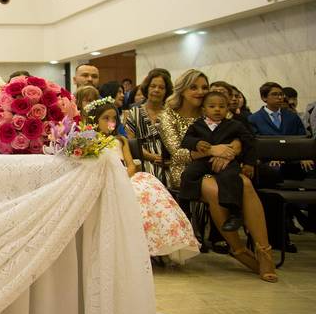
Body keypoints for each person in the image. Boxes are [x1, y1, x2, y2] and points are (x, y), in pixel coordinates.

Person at [160, 69, 276, 282]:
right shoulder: (168, 114)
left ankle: (264, 251)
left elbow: (238, 135)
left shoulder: (217, 109)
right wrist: (213, 150)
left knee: (245, 184)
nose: (200, 91)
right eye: (194, 87)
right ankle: (238, 249)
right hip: (188, 171)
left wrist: (232, 149)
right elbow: (177, 152)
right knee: (214, 190)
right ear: (182, 90)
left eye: (204, 87)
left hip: (224, 167)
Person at [85, 98, 198, 265]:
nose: (111, 122)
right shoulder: (89, 141)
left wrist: (124, 176)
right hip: (103, 179)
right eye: (105, 118)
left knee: (147, 193)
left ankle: (159, 241)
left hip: (124, 176)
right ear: (94, 119)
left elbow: (131, 165)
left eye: (114, 118)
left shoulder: (120, 140)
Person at [180, 91, 256, 232]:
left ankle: (234, 213)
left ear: (227, 109)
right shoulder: (197, 125)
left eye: (221, 106)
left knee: (231, 177)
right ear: (204, 109)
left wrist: (249, 163)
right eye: (212, 106)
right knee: (188, 174)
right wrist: (196, 143)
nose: (217, 109)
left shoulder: (235, 125)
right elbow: (186, 140)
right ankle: (185, 207)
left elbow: (249, 142)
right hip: (203, 160)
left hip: (226, 162)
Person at [125, 68, 172, 182]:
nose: (156, 90)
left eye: (161, 87)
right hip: (143, 161)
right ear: (147, 88)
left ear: (167, 91)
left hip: (169, 162)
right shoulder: (133, 113)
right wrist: (153, 157)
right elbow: (132, 143)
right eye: (153, 86)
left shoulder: (171, 114)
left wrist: (170, 160)